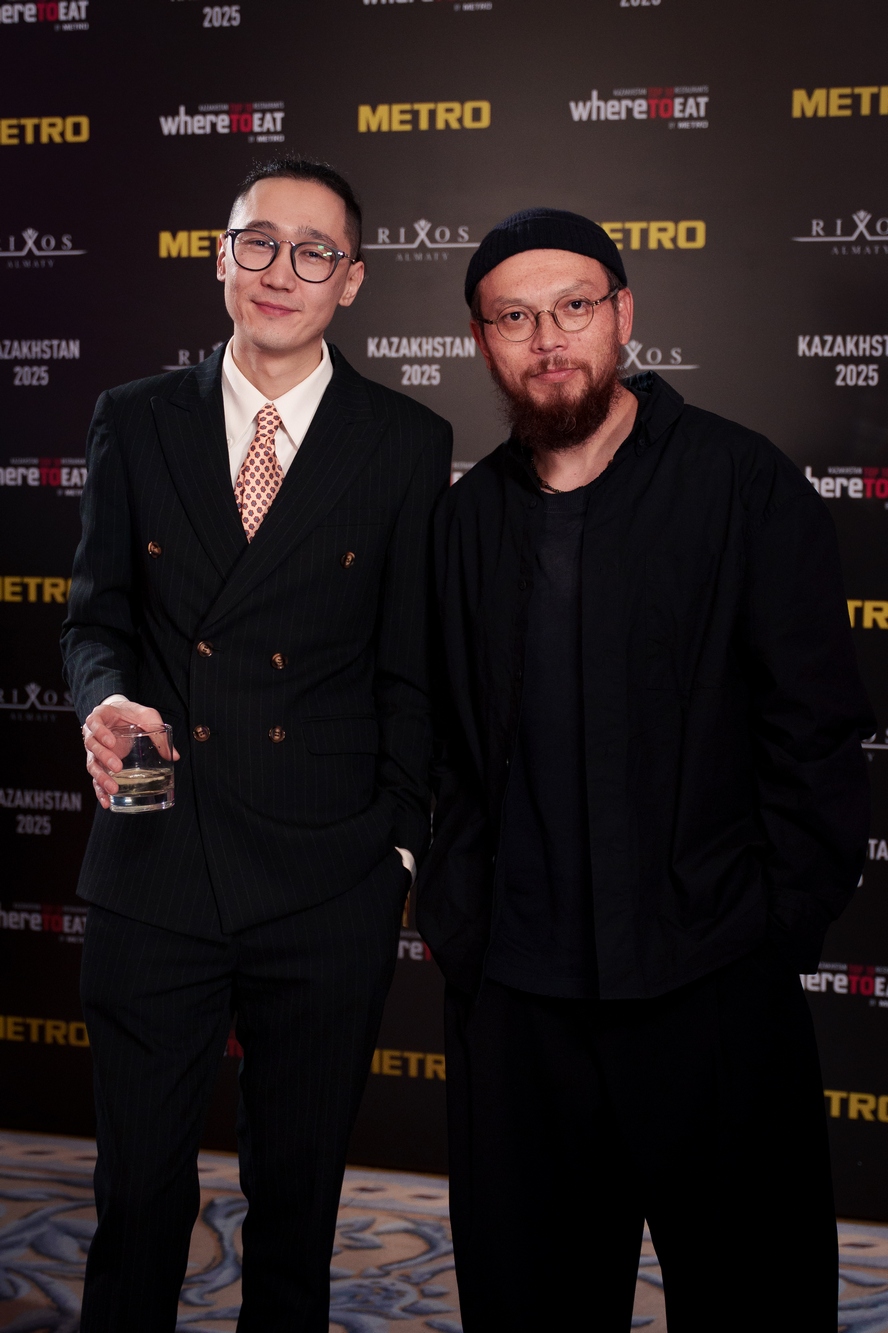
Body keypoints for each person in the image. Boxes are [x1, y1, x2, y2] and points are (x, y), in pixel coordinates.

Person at [417, 208, 873, 1332]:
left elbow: (815, 732)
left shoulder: (742, 482)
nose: (548, 339)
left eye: (573, 306)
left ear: (623, 312)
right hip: (520, 1009)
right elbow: (446, 756)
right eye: (515, 318)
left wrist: (769, 933)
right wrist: (465, 930)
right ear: (481, 339)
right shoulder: (463, 524)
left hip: (713, 990)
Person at [61, 154, 452, 1332]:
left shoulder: (405, 440)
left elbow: (412, 671)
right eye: (259, 243)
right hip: (155, 844)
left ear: (353, 281)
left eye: (314, 252)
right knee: (137, 1195)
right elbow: (95, 620)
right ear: (220, 258)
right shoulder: (135, 418)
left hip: (325, 877)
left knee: (298, 1203)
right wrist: (101, 699)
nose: (283, 270)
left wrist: (394, 855)